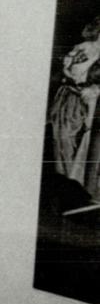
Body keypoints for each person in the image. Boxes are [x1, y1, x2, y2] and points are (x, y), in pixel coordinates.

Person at [49, 17, 100, 200]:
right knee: (63, 140)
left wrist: (95, 89)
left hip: (92, 105)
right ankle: (68, 188)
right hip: (71, 100)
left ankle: (81, 190)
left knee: (86, 145)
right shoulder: (84, 47)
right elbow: (70, 71)